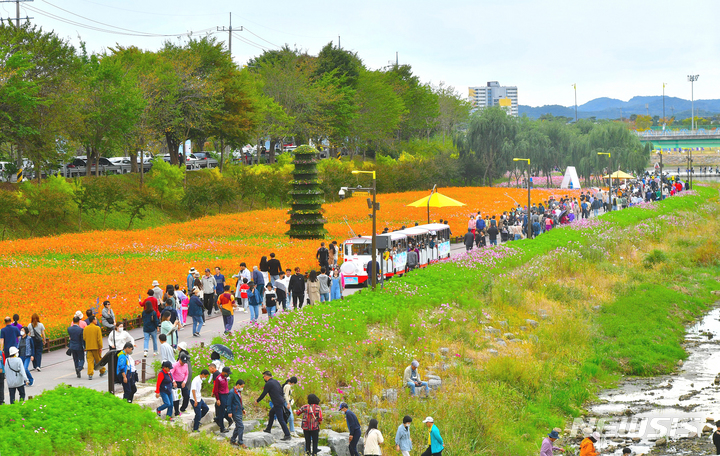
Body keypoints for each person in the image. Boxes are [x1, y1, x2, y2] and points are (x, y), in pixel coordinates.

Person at [256, 370, 291, 440]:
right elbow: (281, 391)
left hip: (277, 403)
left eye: (263, 377)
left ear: (266, 376)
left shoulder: (268, 384)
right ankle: (268, 429)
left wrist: (257, 400)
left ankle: (287, 435)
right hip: (280, 401)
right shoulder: (276, 381)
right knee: (271, 413)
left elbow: (264, 393)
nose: (263, 378)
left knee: (281, 419)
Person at [83, 315, 105, 380]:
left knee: (90, 361)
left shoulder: (86, 328)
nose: (96, 321)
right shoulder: (97, 328)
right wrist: (100, 347)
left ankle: (90, 374)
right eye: (96, 319)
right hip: (96, 347)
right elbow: (99, 339)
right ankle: (102, 371)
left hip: (88, 347)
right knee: (98, 359)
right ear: (93, 320)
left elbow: (84, 338)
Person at [213, 366, 233, 433]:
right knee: (221, 412)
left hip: (226, 395)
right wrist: (218, 399)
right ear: (224, 372)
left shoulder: (225, 378)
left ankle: (218, 418)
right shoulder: (218, 378)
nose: (228, 374)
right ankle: (222, 428)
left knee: (225, 410)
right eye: (227, 373)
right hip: (221, 396)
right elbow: (216, 390)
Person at [228, 379, 247, 447]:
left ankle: (232, 440)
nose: (242, 388)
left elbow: (240, 401)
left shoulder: (238, 392)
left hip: (239, 411)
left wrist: (243, 408)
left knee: (238, 426)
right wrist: (229, 412)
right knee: (241, 426)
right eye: (242, 386)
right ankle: (240, 442)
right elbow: (229, 403)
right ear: (238, 385)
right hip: (235, 412)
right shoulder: (232, 392)